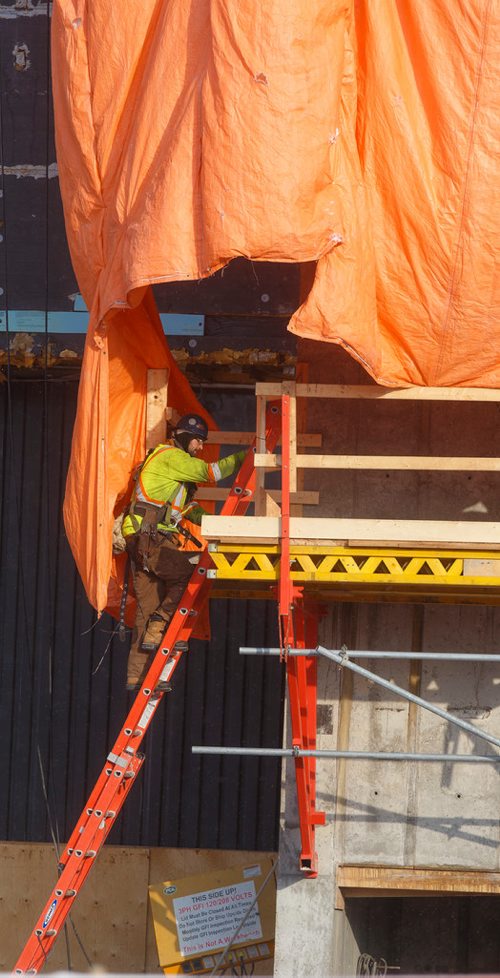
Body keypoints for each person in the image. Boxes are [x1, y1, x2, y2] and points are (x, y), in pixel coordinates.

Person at [122, 414, 246, 691]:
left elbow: (187, 511)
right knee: (187, 573)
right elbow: (211, 473)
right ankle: (161, 623)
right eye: (198, 441)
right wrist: (247, 455)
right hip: (149, 539)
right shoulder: (171, 457)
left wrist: (222, 524)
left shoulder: (174, 474)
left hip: (146, 538)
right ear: (183, 436)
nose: (200, 447)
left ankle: (138, 677)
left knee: (146, 607)